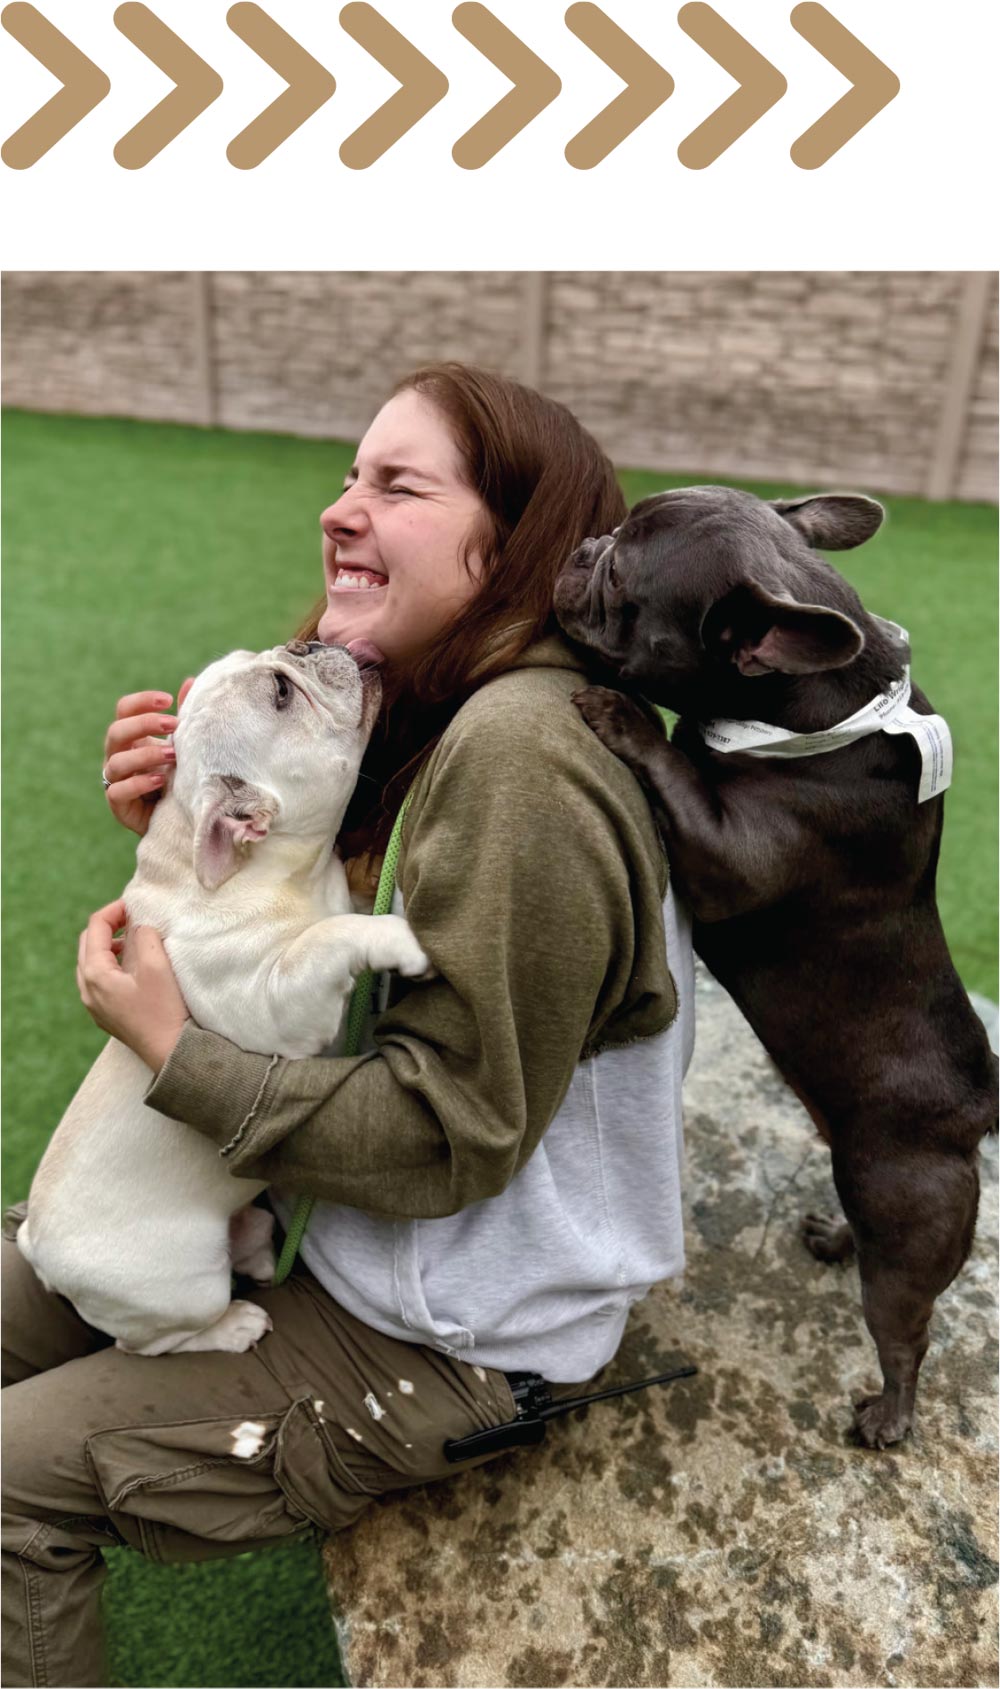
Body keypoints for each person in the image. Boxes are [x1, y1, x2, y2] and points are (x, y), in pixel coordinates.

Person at [1, 363, 694, 1687]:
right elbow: (344, 964)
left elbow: (456, 1133)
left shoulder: (521, 761)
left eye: (397, 483)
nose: (340, 508)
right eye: (346, 473)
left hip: (445, 1337)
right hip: (336, 1238)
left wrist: (175, 1050)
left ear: (518, 541)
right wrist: (200, 833)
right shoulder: (454, 710)